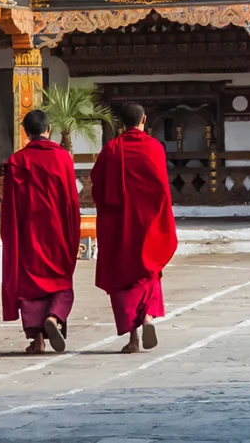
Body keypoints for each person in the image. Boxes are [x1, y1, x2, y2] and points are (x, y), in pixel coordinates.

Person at [91, 101, 178, 352]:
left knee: (123, 277)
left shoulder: (111, 149)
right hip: (148, 223)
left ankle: (133, 338)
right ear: (144, 121)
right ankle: (148, 317)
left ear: (121, 123)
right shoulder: (154, 147)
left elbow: (97, 185)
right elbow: (162, 187)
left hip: (119, 225)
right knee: (148, 270)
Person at [0, 108, 81, 354]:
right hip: (57, 232)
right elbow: (71, 201)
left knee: (31, 285)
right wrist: (73, 234)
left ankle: (38, 341)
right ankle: (54, 317)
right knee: (60, 279)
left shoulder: (16, 162)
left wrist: (12, 237)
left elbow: (9, 207)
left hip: (29, 233)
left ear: (26, 133)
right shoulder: (63, 158)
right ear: (48, 130)